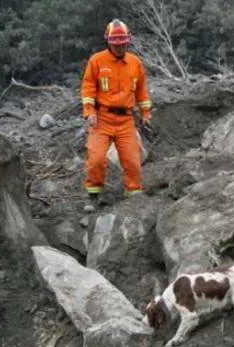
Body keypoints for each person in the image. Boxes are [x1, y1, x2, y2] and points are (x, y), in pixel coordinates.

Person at [80, 19, 152, 212]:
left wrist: (145, 114)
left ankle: (134, 196)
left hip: (126, 120)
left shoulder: (135, 63)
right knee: (96, 159)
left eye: (123, 44)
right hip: (101, 118)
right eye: (116, 44)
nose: (119, 48)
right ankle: (93, 196)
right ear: (108, 42)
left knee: (132, 161)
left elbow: (142, 92)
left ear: (128, 42)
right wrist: (89, 112)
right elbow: (87, 88)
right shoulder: (96, 61)